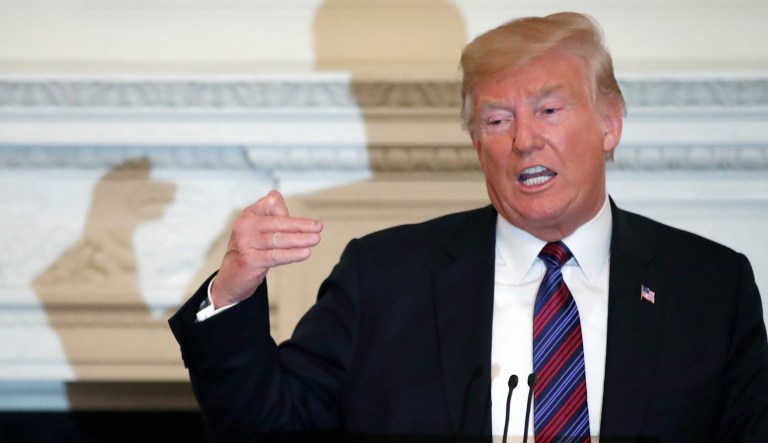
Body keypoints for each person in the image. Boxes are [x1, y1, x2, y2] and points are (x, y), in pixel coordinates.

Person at [169, 12, 768, 442]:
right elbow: (265, 424)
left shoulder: (709, 285)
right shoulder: (385, 276)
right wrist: (233, 291)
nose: (524, 139)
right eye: (497, 118)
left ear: (610, 123)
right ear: (477, 142)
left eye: (549, 110)